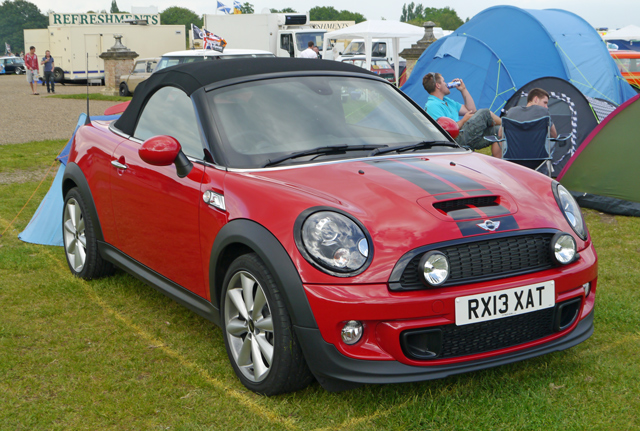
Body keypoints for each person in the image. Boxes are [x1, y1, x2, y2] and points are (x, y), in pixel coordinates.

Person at [423, 72, 502, 157]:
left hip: (465, 134)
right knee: (485, 113)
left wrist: (463, 90)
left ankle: (497, 165)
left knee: (500, 131)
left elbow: (472, 110)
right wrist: (464, 120)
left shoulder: (447, 101)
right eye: (444, 81)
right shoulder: (432, 105)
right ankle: (509, 124)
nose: (446, 84)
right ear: (438, 85)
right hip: (455, 140)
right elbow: (445, 133)